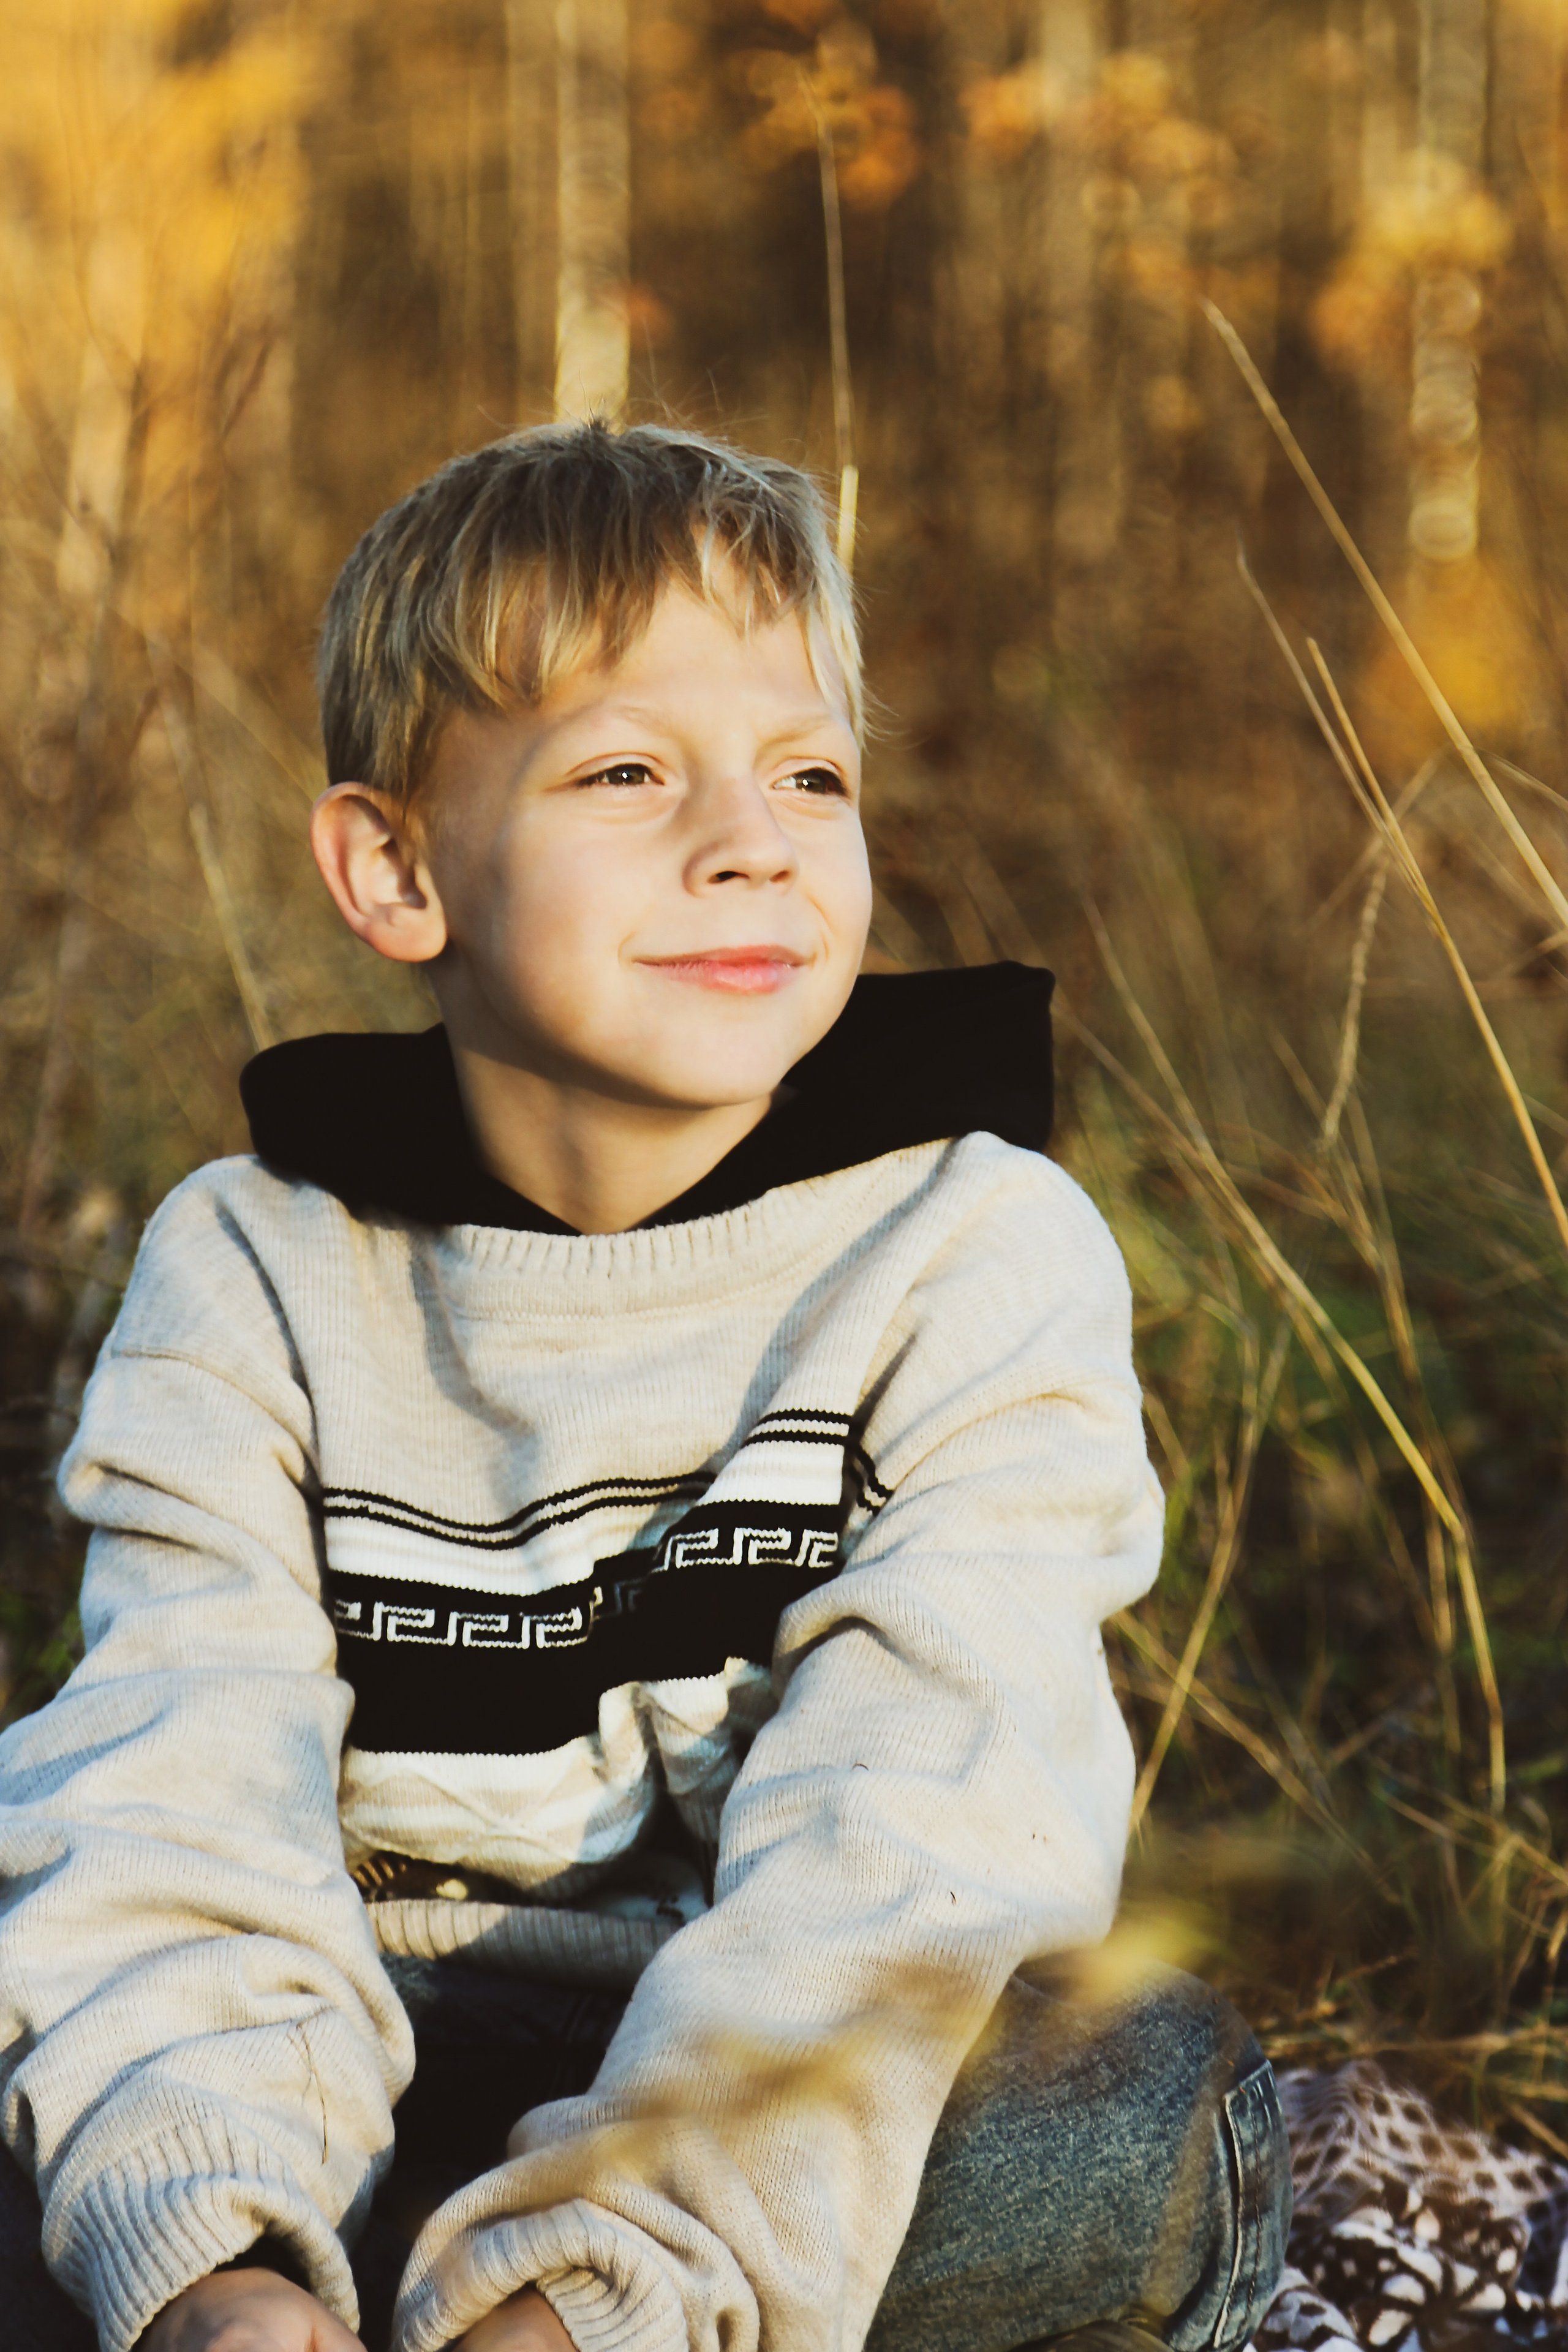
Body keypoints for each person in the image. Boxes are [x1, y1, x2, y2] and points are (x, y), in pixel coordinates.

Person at [0, 421, 1291, 2352]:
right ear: (394, 866)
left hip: (780, 2087)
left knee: (1133, 2106)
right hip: (345, 2054)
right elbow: (178, 1793)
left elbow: (912, 1847)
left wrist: (600, 2303)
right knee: (74, 2075)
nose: (753, 836)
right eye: (627, 770)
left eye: (809, 773)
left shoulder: (972, 1247)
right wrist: (219, 2277)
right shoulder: (254, 1258)